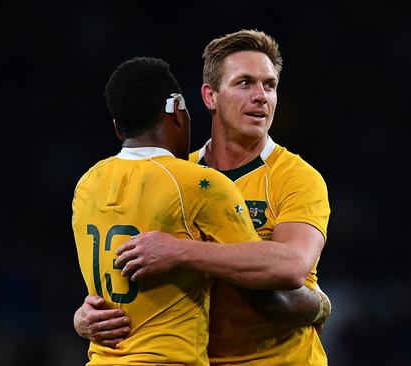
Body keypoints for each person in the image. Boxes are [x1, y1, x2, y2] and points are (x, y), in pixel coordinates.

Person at [75, 30, 332, 365]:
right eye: (244, 83)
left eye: (269, 85)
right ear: (210, 97)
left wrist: (183, 251)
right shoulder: (177, 176)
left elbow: (292, 265)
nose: (261, 96)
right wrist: (86, 316)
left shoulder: (296, 178)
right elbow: (128, 263)